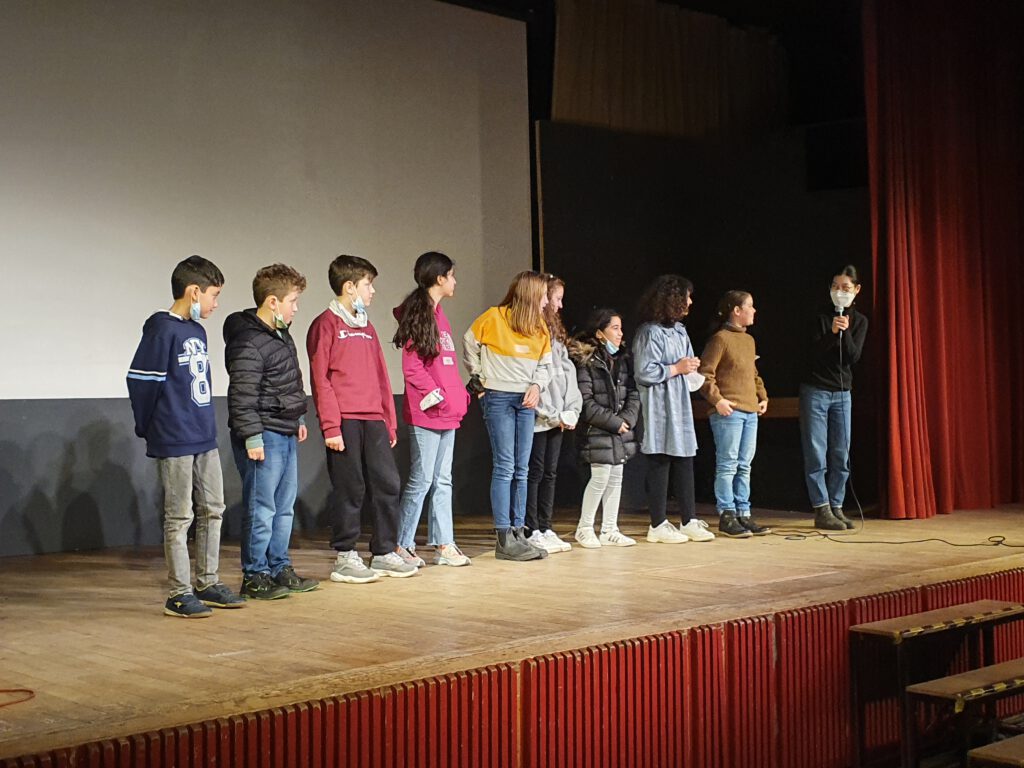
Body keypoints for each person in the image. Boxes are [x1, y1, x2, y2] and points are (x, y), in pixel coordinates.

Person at [128, 255, 245, 618]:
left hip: (203, 435)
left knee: (213, 509)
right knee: (179, 516)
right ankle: (178, 593)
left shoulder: (197, 331)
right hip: (174, 436)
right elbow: (142, 382)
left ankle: (207, 581)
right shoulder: (161, 330)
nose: (216, 303)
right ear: (194, 291)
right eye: (214, 295)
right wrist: (149, 427)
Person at [307, 254, 418, 582]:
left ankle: (383, 551)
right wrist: (331, 425)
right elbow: (320, 379)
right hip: (345, 420)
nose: (372, 291)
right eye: (368, 285)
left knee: (388, 483)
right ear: (349, 287)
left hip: (374, 419)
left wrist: (389, 419)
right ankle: (346, 555)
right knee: (350, 487)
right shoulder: (325, 324)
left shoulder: (366, 326)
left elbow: (381, 374)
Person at [224, 264, 320, 600]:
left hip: (285, 429)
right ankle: (255, 574)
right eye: (292, 301)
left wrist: (299, 418)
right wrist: (252, 437)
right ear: (272, 301)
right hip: (263, 433)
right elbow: (242, 394)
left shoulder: (281, 335)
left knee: (283, 507)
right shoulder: (248, 341)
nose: (296, 308)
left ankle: (279, 567)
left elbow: (289, 382)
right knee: (261, 508)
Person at [464, 270, 552, 562]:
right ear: (531, 295)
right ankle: (503, 538)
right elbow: (469, 342)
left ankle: (518, 532)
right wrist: (479, 377)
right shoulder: (494, 317)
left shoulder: (540, 327)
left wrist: (537, 386)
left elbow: (545, 364)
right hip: (499, 397)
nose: (546, 301)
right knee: (505, 466)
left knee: (522, 469)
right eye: (543, 295)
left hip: (525, 401)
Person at [392, 252, 472, 567]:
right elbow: (412, 368)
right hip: (427, 414)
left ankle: (444, 545)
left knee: (443, 479)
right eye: (451, 275)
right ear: (439, 278)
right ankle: (402, 544)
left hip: (448, 413)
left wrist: (457, 396)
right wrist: (437, 396)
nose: (455, 281)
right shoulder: (420, 315)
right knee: (422, 479)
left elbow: (446, 365)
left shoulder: (440, 316)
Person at [632, 274, 716, 543]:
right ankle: (657, 524)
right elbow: (644, 371)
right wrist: (676, 368)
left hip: (679, 402)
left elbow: (686, 364)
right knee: (661, 456)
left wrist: (691, 368)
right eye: (687, 297)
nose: (690, 302)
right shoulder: (649, 332)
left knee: (684, 456)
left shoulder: (680, 330)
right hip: (658, 403)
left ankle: (689, 520)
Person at [799, 265, 868, 531]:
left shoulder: (860, 321)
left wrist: (845, 331)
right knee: (817, 452)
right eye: (835, 287)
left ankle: (837, 505)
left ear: (856, 290)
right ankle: (822, 508)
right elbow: (810, 355)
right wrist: (832, 333)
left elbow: (853, 357)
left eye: (845, 288)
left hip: (842, 393)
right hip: (815, 390)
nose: (840, 292)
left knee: (841, 453)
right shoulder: (819, 317)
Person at [698, 291, 771, 538]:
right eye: (750, 306)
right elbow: (705, 374)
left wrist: (762, 396)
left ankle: (743, 513)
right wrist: (717, 400)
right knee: (728, 464)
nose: (754, 310)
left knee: (744, 465)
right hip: (729, 412)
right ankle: (727, 513)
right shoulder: (720, 339)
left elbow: (752, 373)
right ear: (736, 310)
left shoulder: (748, 340)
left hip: (750, 411)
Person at [569, 308, 642, 547]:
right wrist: (614, 422)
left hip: (619, 430)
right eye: (615, 328)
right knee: (600, 478)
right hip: (597, 430)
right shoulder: (586, 361)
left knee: (616, 478)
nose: (620, 334)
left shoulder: (623, 359)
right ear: (600, 333)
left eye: (621, 328)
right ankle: (584, 528)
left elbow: (633, 393)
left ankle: (610, 529)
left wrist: (627, 419)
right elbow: (586, 402)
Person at [524, 274, 582, 554]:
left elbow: (567, 374)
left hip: (558, 417)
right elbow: (533, 381)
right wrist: (549, 413)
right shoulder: (531, 332)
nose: (559, 305)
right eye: (556, 299)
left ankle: (546, 527)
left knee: (550, 472)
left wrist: (571, 410)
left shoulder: (556, 336)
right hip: (538, 418)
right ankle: (531, 528)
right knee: (534, 472)